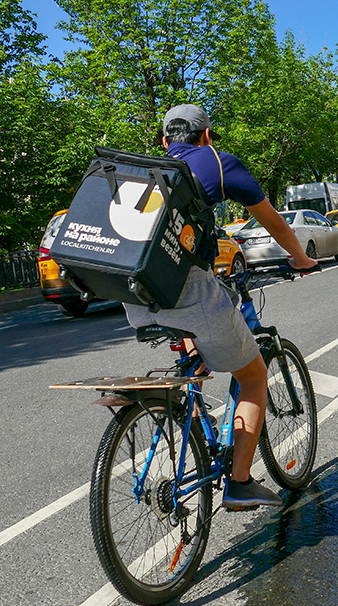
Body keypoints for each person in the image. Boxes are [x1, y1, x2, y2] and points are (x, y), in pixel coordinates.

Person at [124, 104, 318, 509]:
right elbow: (275, 224)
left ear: (165, 141)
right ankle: (240, 483)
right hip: (188, 293)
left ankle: (193, 424)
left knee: (196, 358)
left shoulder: (147, 171)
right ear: (207, 135)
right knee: (253, 376)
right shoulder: (218, 163)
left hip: (136, 296)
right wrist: (300, 257)